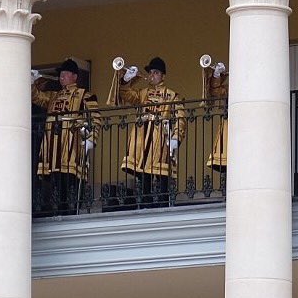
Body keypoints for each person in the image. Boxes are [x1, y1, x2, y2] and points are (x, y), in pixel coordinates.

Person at [107, 56, 186, 208]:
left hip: (160, 135)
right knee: (143, 170)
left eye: (155, 73)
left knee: (161, 170)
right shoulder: (142, 93)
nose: (152, 75)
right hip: (142, 134)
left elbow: (180, 117)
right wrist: (126, 79)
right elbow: (126, 95)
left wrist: (176, 136)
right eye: (150, 73)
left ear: (163, 76)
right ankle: (144, 200)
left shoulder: (171, 95)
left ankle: (163, 201)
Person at [31, 59, 98, 215]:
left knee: (69, 177)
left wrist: (91, 138)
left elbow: (95, 118)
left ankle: (70, 208)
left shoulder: (84, 95)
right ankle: (58, 207)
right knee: (54, 178)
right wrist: (31, 82)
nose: (61, 77)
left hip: (71, 142)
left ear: (74, 76)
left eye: (65, 73)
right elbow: (36, 97)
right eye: (60, 74)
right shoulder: (53, 96)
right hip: (53, 143)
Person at [203, 60, 228, 180]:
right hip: (230, 127)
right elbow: (214, 91)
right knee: (227, 161)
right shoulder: (230, 88)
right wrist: (216, 75)